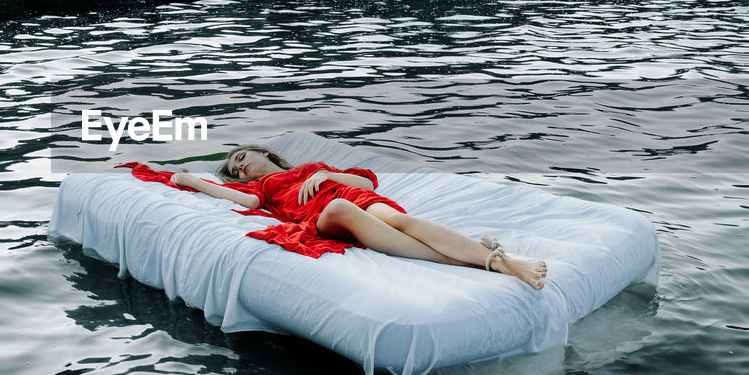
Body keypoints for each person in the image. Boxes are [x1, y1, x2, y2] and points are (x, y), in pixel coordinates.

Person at [156, 144, 547, 289]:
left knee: (398, 221)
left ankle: (497, 262)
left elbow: (367, 180)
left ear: (266, 154)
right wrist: (192, 180)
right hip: (322, 216)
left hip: (351, 194)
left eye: (242, 158)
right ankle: (493, 259)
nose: (240, 168)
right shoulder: (259, 189)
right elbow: (246, 205)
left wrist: (324, 174)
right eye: (235, 169)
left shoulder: (312, 165)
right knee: (341, 209)